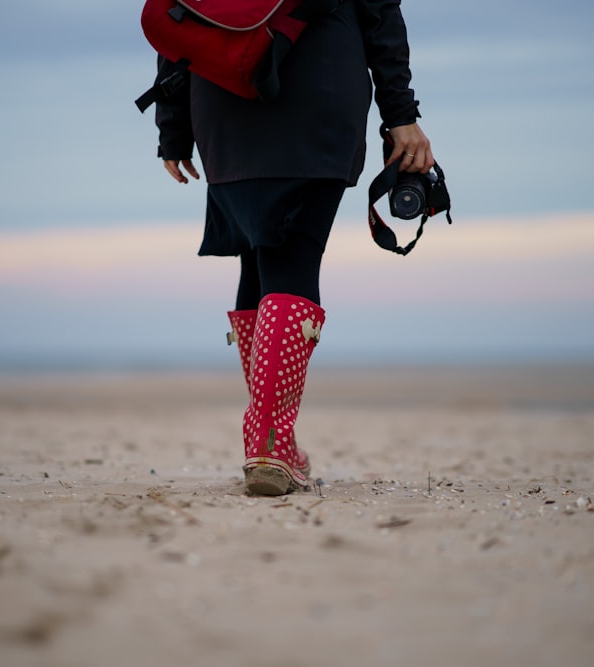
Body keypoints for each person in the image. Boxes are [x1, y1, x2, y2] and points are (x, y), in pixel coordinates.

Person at [153, 0, 435, 495]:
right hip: (317, 84)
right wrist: (401, 114)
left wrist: (173, 126)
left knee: (256, 259)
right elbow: (380, 16)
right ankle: (270, 440)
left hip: (222, 94)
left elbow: (181, 16)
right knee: (292, 256)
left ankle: (272, 438)